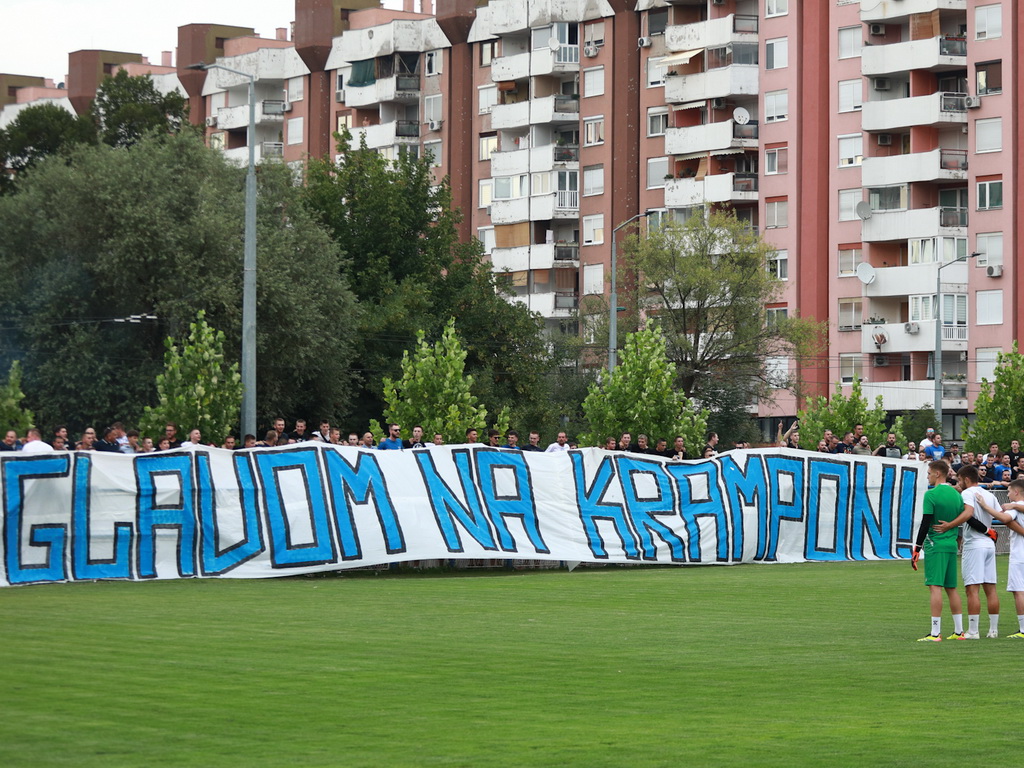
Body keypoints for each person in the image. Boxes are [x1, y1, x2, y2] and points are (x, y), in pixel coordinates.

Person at [933, 465, 1001, 639]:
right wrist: (988, 530)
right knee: (991, 588)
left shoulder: (967, 494)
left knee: (972, 588)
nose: (958, 483)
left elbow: (968, 514)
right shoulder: (988, 494)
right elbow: (999, 514)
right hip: (989, 544)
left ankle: (973, 631)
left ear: (966, 479)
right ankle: (993, 630)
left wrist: (950, 525)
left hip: (974, 544)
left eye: (960, 480)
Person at [912, 460, 965, 641]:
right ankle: (959, 631)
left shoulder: (931, 495)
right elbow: (963, 519)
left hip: (936, 545)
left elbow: (926, 522)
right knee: (951, 588)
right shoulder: (957, 495)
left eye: (929, 473)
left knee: (935, 587)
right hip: (951, 545)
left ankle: (935, 633)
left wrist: (917, 548)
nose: (928, 476)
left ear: (937, 473)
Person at [972, 479, 1024, 637]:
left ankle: (1022, 629)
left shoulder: (1015, 508)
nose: (1007, 495)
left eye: (1008, 491)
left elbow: (1004, 519)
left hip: (1020, 554)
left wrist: (985, 507)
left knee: (1019, 590)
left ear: (1016, 492)